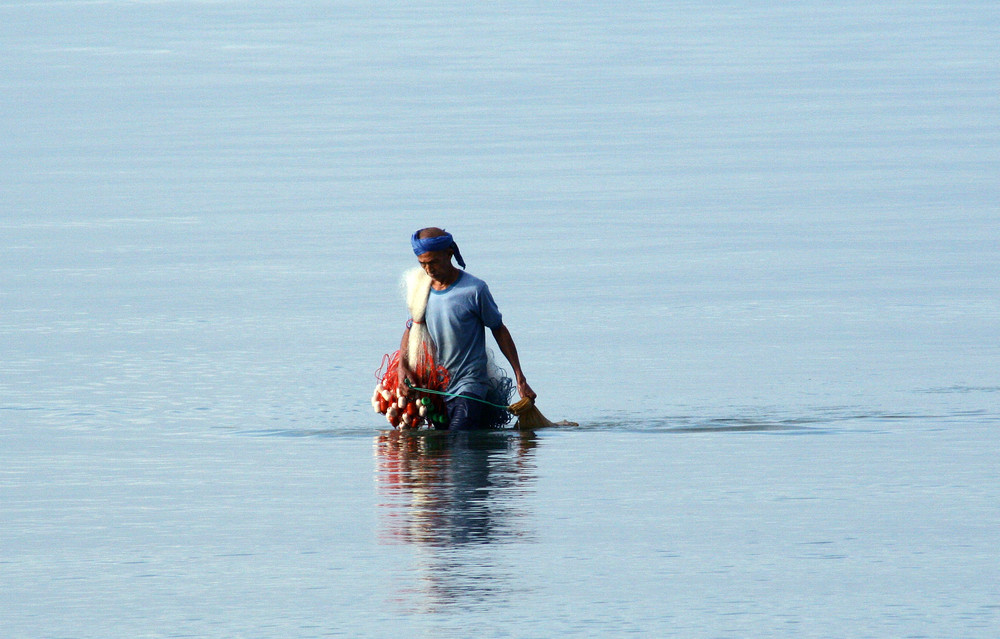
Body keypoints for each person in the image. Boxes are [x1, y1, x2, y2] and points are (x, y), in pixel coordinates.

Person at [397, 227, 536, 430]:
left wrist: (520, 377)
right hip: (436, 388)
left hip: (470, 385)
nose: (428, 270)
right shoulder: (422, 290)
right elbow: (412, 330)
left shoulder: (474, 290)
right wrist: (402, 367)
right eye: (422, 264)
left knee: (459, 440)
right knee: (444, 451)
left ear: (449, 254)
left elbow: (499, 329)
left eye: (433, 262)